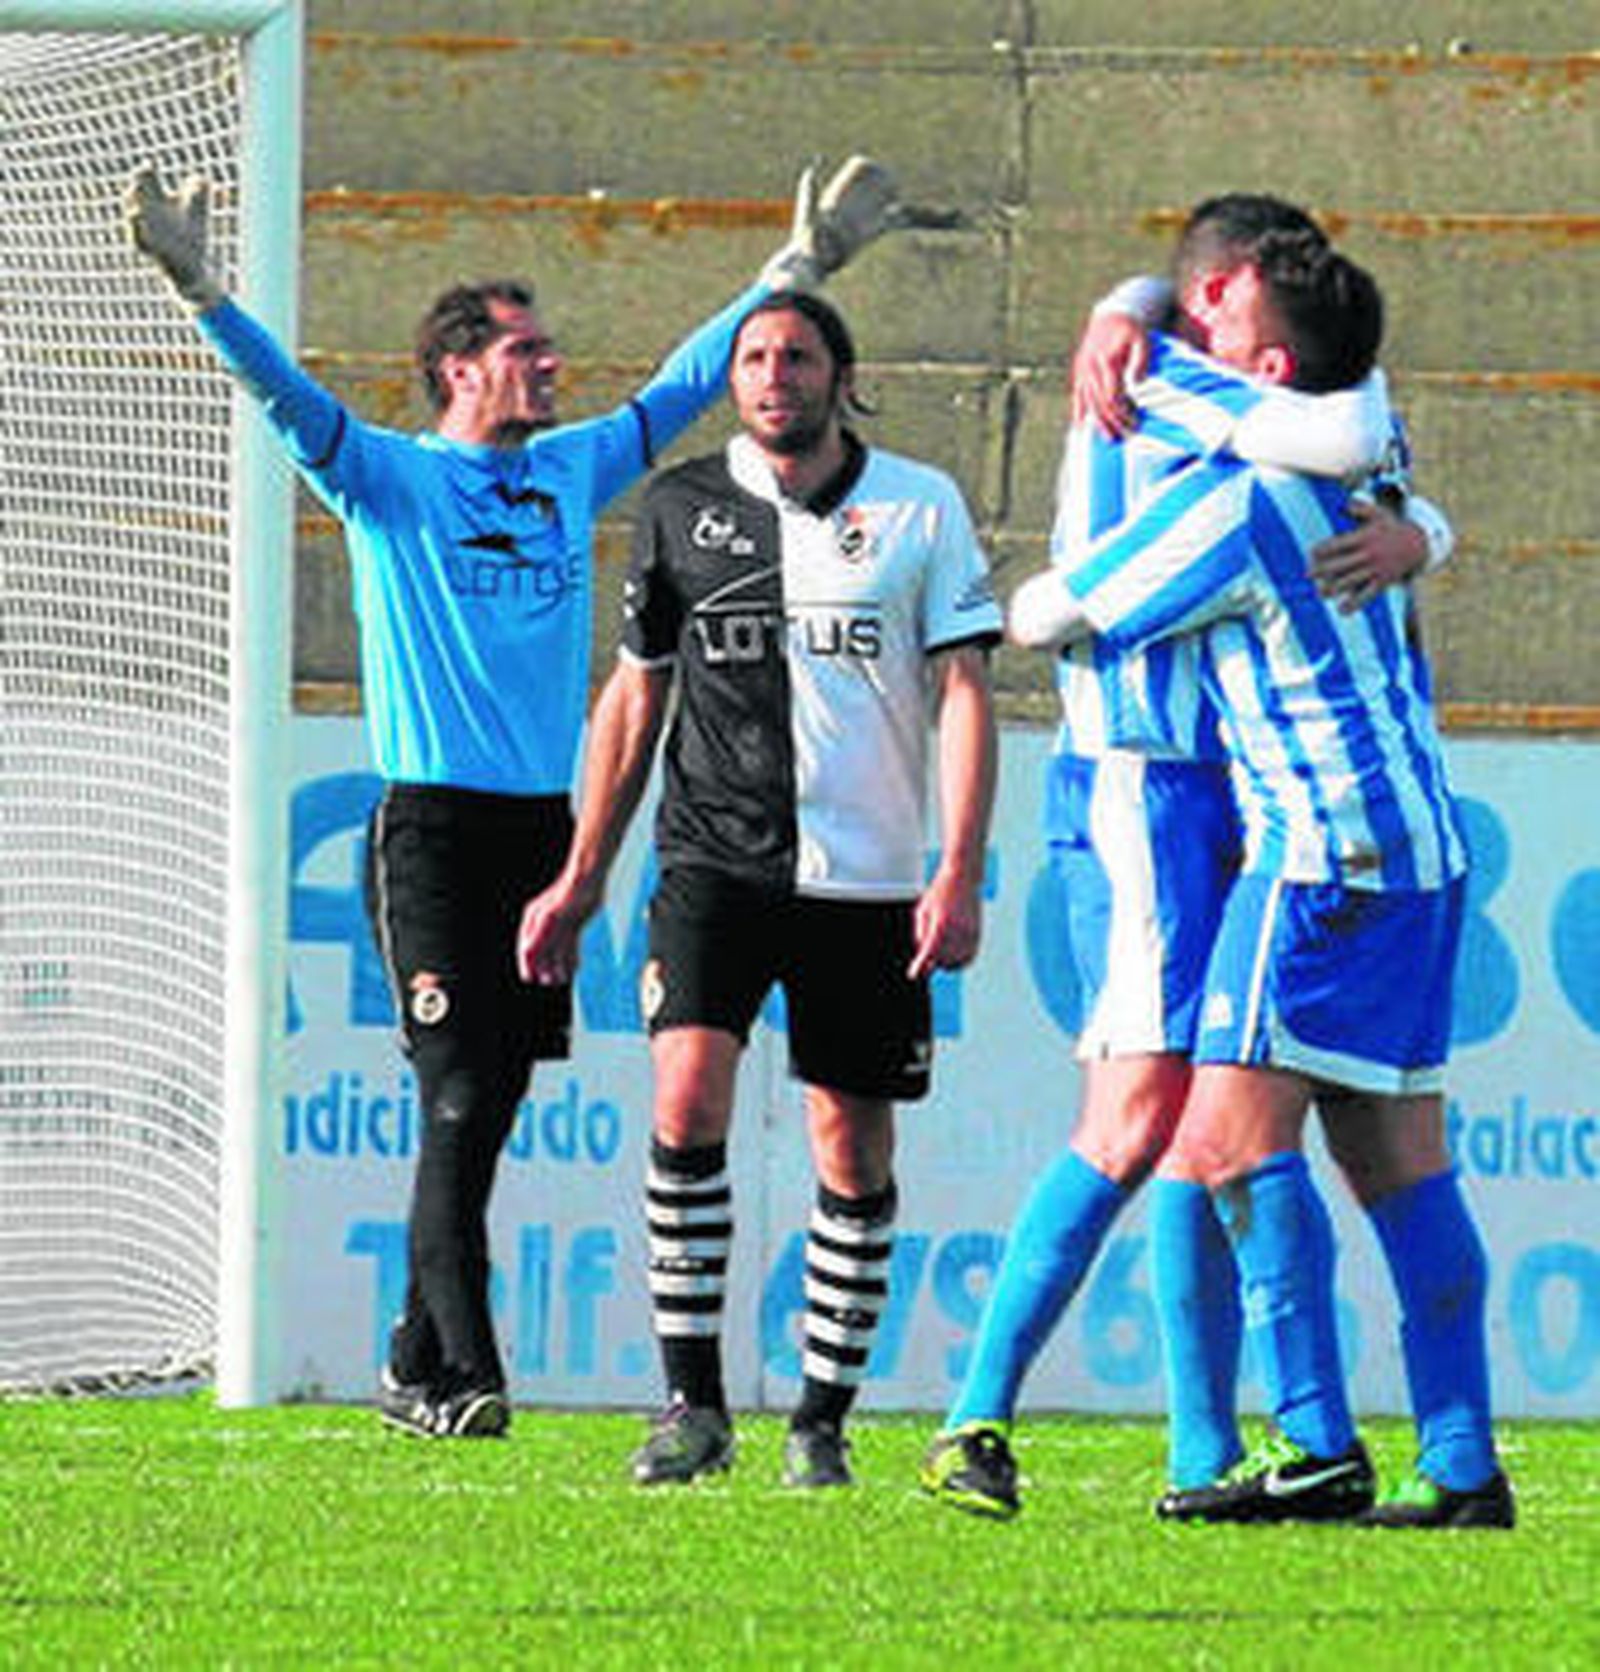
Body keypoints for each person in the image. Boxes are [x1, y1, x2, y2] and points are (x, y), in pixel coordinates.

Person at [125, 157, 906, 1439]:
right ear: (458, 370)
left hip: (546, 835)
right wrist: (205, 293)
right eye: (524, 351)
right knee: (455, 1092)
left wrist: (799, 268)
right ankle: (467, 1375)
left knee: (486, 1107)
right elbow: (284, 400)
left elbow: (684, 384)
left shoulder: (565, 473)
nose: (550, 367)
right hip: (431, 832)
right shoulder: (385, 478)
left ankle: (407, 1359)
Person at [920, 195, 1448, 1521]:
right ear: (1218, 291)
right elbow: (1346, 432)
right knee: (1150, 1104)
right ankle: (976, 1416)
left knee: (1207, 1112)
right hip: (1145, 778)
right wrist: (1125, 306)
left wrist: (1423, 531)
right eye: (1243, 298)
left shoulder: (1227, 375)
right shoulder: (1154, 375)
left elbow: (1364, 449)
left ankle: (1203, 1452)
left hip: (1256, 787)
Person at [517, 289, 1001, 1489]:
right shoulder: (680, 506)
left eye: (797, 356)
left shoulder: (920, 506)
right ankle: (691, 1407)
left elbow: (962, 693)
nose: (774, 375)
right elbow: (635, 697)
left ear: (841, 375)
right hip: (712, 863)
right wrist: (581, 873)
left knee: (850, 1142)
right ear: (733, 381)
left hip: (868, 879)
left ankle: (820, 1420)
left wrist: (956, 865)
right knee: (685, 1101)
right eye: (753, 358)